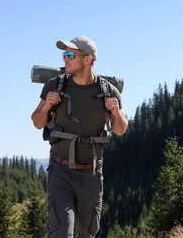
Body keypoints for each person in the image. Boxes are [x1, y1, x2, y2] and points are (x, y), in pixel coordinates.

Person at [31, 36, 128, 237]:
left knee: (87, 234)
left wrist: (117, 113)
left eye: (70, 54)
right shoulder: (54, 85)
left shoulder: (108, 91)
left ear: (88, 59)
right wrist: (47, 105)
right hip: (60, 171)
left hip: (92, 174)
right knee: (61, 233)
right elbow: (37, 122)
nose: (65, 59)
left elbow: (120, 129)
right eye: (64, 54)